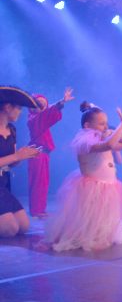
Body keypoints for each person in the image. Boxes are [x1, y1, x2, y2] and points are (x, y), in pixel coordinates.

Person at [45, 102, 122, 251]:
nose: (106, 127)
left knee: (104, 216)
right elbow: (109, 145)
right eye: (102, 124)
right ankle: (86, 235)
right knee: (91, 217)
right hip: (93, 187)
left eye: (106, 123)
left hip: (109, 185)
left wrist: (113, 131)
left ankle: (101, 234)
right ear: (87, 125)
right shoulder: (85, 142)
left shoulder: (103, 139)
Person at [27, 87, 75, 218]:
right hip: (36, 153)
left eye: (43, 104)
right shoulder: (33, 119)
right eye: (38, 104)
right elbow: (47, 114)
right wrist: (61, 102)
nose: (41, 106)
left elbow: (48, 113)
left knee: (43, 182)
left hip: (43, 154)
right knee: (38, 182)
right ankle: (37, 210)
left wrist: (60, 103)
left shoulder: (41, 118)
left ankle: (40, 209)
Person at [0, 86, 40, 237]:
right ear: (7, 107)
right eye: (18, 108)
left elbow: (11, 162)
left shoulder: (12, 130)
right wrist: (16, 156)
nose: (20, 112)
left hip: (2, 184)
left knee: (23, 226)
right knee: (9, 229)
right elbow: (13, 157)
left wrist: (24, 155)